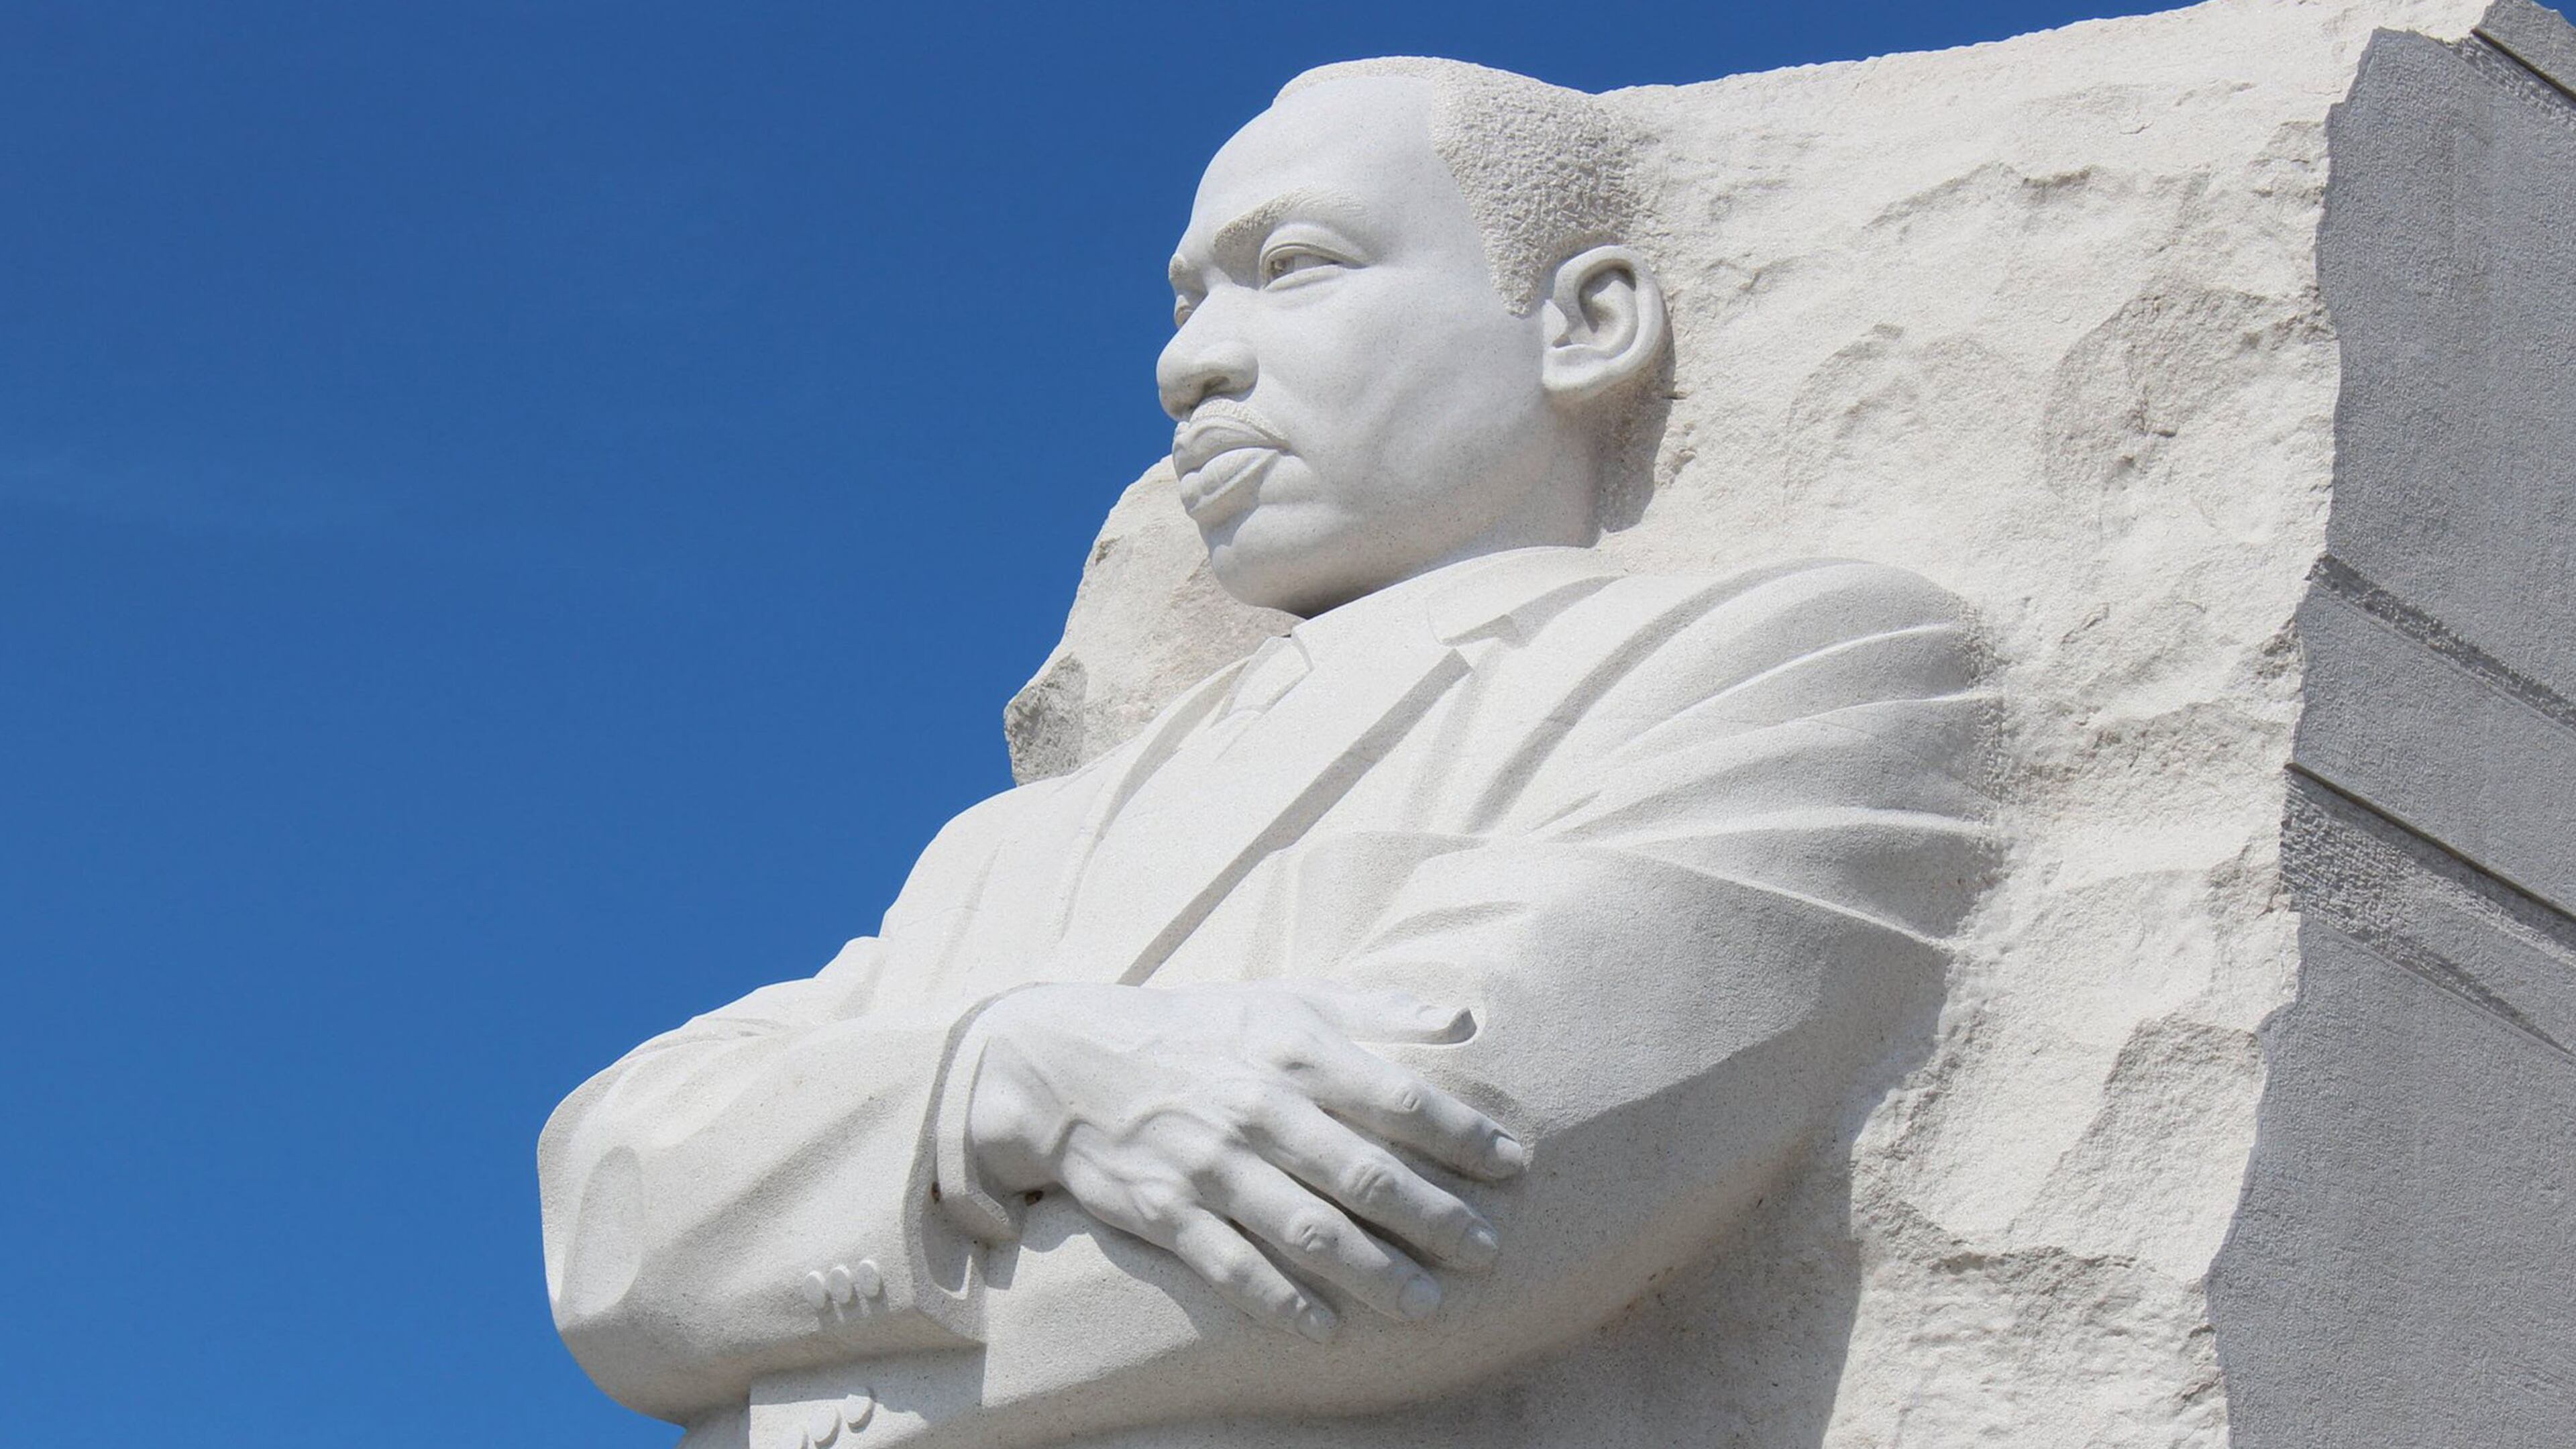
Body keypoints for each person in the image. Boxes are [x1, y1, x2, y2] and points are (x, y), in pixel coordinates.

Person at [540, 57, 1994, 1449]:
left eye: (1295, 265)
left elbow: (1431, 1202)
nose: (1191, 361)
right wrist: (996, 1077)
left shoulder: (1791, 666)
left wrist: (769, 1387)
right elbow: (607, 1207)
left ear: (1586, 322)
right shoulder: (1006, 849)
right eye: (1185, 300)